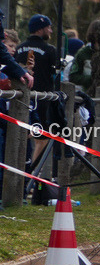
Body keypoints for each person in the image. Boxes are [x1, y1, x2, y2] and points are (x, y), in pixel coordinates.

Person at [17, 15, 60, 166]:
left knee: (19, 135)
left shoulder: (18, 48)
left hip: (19, 98)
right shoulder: (49, 50)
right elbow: (54, 74)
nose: (51, 31)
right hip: (42, 99)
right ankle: (32, 174)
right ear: (40, 29)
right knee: (41, 139)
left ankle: (21, 170)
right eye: (49, 27)